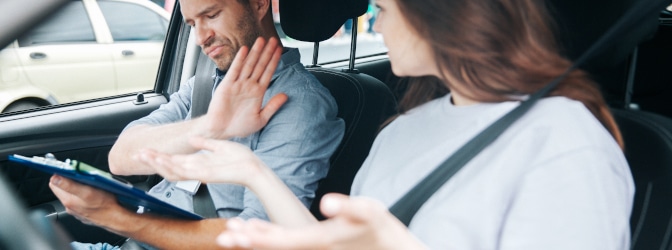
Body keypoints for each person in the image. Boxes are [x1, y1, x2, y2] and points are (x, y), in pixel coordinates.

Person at [141, 0, 635, 249]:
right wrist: (253, 173)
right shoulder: (401, 132)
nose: (376, 24)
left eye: (384, 8)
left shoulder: (566, 143)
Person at [48, 0, 344, 249]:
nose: (201, 37)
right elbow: (121, 158)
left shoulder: (300, 103)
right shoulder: (205, 84)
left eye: (212, 15)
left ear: (258, 3)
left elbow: (256, 239)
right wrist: (211, 126)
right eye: (191, 24)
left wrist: (117, 219)